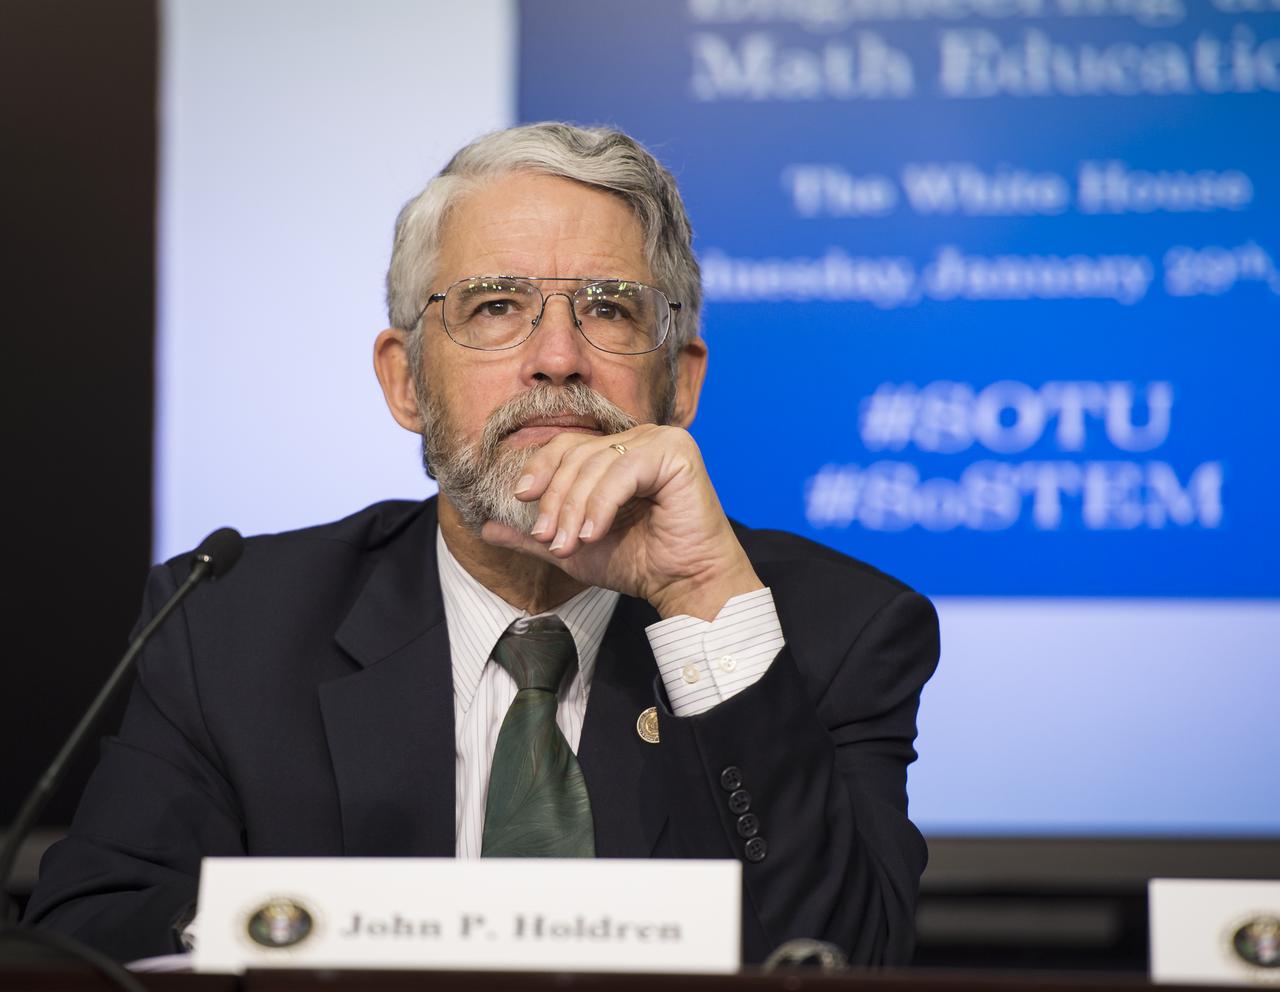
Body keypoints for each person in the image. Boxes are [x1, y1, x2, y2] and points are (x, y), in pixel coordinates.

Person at [26, 123, 940, 965]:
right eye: (496, 306)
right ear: (407, 383)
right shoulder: (228, 623)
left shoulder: (832, 632)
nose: (556, 356)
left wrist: (701, 594)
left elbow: (851, 962)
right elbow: (88, 935)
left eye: (611, 309)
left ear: (681, 382)